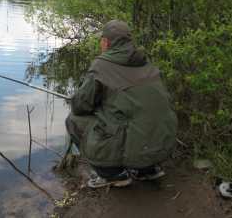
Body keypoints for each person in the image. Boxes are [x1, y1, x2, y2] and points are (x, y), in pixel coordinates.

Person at [65, 20, 178, 188]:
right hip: (164, 144)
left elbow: (81, 106)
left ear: (105, 42)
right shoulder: (146, 62)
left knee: (73, 120)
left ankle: (113, 174)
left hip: (139, 146)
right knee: (139, 118)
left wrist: (79, 100)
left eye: (101, 40)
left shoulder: (101, 66)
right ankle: (147, 169)